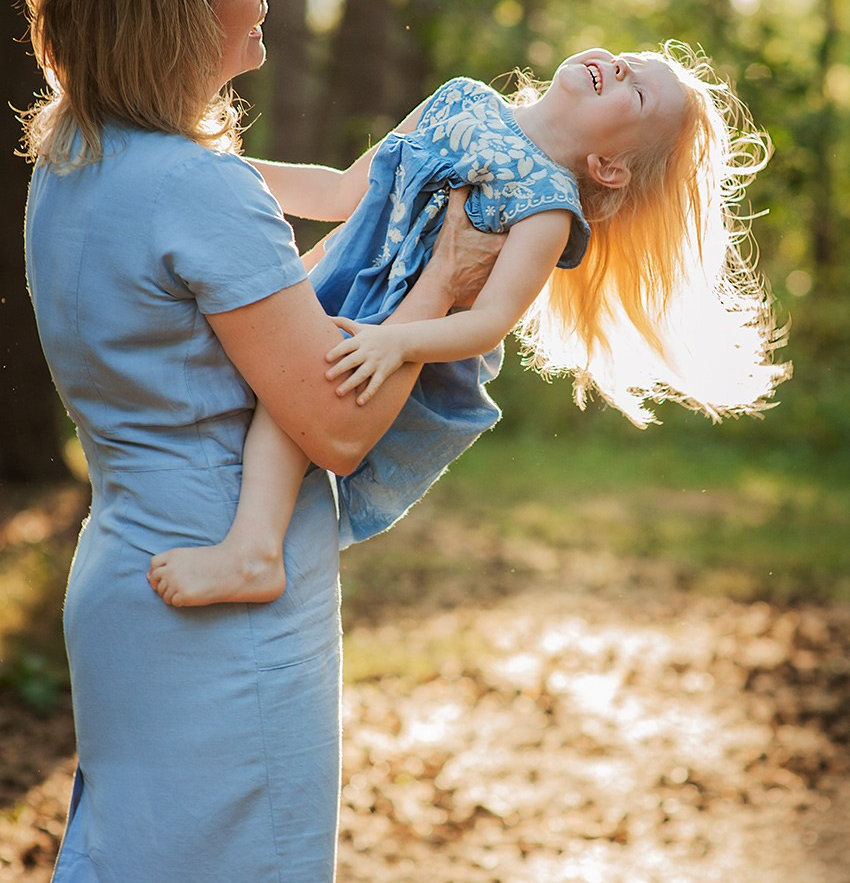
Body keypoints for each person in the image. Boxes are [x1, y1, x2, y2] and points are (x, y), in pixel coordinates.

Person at [20, 0, 503, 883]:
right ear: (177, 12)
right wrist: (445, 280)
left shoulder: (74, 165)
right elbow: (333, 422)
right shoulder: (205, 190)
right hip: (227, 600)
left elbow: (283, 292)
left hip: (129, 576)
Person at [147, 46, 789, 609]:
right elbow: (345, 192)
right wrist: (226, 170)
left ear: (610, 167)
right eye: (627, 58)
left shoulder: (548, 207)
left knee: (286, 415)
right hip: (327, 286)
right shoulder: (461, 98)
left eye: (637, 90)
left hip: (393, 334)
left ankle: (254, 552)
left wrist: (395, 341)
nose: (619, 67)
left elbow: (487, 323)